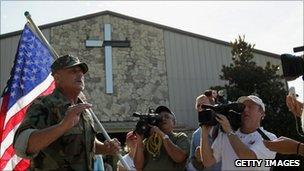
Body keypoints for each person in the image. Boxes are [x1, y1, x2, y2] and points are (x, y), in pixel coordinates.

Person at [13, 54, 121, 170]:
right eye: (73, 71)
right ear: (58, 78)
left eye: (81, 72)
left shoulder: (83, 109)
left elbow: (84, 141)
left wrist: (106, 148)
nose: (80, 74)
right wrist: (62, 127)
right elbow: (22, 145)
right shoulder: (44, 105)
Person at [200, 95, 277, 170]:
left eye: (250, 107)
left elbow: (248, 160)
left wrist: (229, 131)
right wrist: (204, 133)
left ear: (262, 113)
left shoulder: (269, 138)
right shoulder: (226, 134)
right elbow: (208, 162)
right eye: (243, 107)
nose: (245, 110)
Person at [134, 105, 190, 171]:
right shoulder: (149, 142)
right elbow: (138, 167)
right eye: (159, 117)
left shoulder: (179, 137)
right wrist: (139, 140)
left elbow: (179, 157)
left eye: (167, 117)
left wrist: (162, 135)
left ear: (174, 122)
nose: (163, 119)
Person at [187, 93, 221, 171]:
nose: (201, 108)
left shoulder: (223, 128)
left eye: (204, 105)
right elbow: (193, 165)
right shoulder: (196, 135)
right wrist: (198, 160)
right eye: (198, 105)